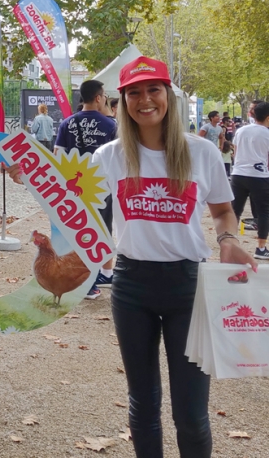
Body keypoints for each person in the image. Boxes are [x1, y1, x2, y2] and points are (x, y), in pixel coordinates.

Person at [91, 56, 253, 457]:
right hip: (131, 287)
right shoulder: (108, 157)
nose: (145, 100)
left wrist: (228, 238)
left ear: (168, 96)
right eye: (134, 93)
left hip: (188, 288)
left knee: (191, 412)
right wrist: (32, 174)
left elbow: (222, 212)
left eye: (153, 90)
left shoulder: (201, 152)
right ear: (123, 100)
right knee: (143, 405)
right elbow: (76, 211)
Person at [55, 79, 117, 298]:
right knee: (102, 230)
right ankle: (105, 273)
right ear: (99, 98)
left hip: (74, 188)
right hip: (102, 188)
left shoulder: (67, 123)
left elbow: (58, 157)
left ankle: (86, 282)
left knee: (78, 232)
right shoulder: (111, 125)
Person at [230, 101, 269, 259]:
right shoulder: (267, 133)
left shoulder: (241, 131)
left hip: (238, 174)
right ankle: (261, 248)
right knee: (263, 212)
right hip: (259, 176)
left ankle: (231, 244)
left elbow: (235, 152)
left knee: (234, 210)